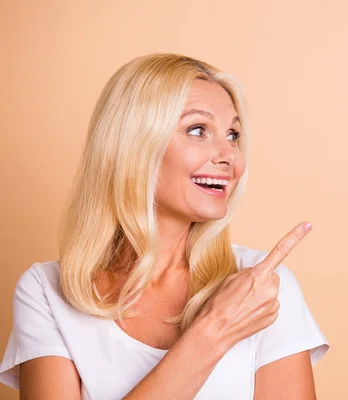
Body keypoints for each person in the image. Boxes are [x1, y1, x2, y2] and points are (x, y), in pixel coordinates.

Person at [0, 53, 329, 399]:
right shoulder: (46, 292)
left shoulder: (262, 289)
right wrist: (214, 331)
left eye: (233, 135)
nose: (230, 156)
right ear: (133, 144)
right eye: (198, 130)